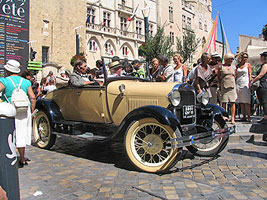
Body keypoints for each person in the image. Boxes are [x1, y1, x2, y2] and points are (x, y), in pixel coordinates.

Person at [0, 60, 36, 167]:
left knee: (8, 133)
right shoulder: (26, 82)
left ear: (7, 70)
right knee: (21, 133)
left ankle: (7, 156)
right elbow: (33, 98)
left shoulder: (4, 81)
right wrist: (31, 111)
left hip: (9, 110)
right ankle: (22, 158)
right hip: (24, 110)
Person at [218, 53, 237, 124]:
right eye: (230, 59)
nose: (231, 60)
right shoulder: (221, 67)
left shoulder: (234, 67)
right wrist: (220, 84)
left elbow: (235, 76)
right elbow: (218, 76)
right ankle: (224, 117)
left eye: (232, 59)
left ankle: (232, 118)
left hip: (232, 86)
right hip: (224, 86)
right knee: (224, 102)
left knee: (232, 102)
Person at [236, 52, 252, 122]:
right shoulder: (238, 66)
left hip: (245, 83)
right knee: (241, 101)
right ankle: (244, 116)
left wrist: (250, 82)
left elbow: (250, 75)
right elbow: (236, 75)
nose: (245, 59)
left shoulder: (248, 65)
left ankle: (249, 116)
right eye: (244, 57)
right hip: (238, 83)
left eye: (246, 57)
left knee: (247, 101)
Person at [251, 51, 267, 123]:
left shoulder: (265, 65)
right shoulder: (262, 65)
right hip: (261, 85)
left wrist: (253, 81)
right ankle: (265, 116)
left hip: (263, 84)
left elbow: (261, 74)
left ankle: (266, 117)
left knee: (264, 101)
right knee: (261, 100)